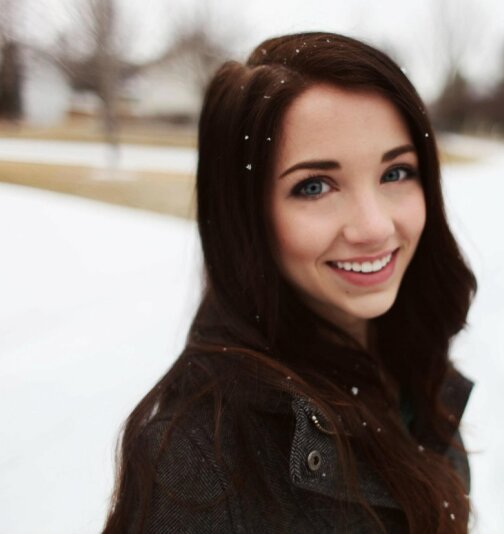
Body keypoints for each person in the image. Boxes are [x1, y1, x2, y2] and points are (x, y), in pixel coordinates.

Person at [103, 31, 477, 534]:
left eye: (395, 173)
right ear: (246, 215)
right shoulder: (196, 460)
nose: (374, 227)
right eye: (315, 186)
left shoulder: (410, 363)